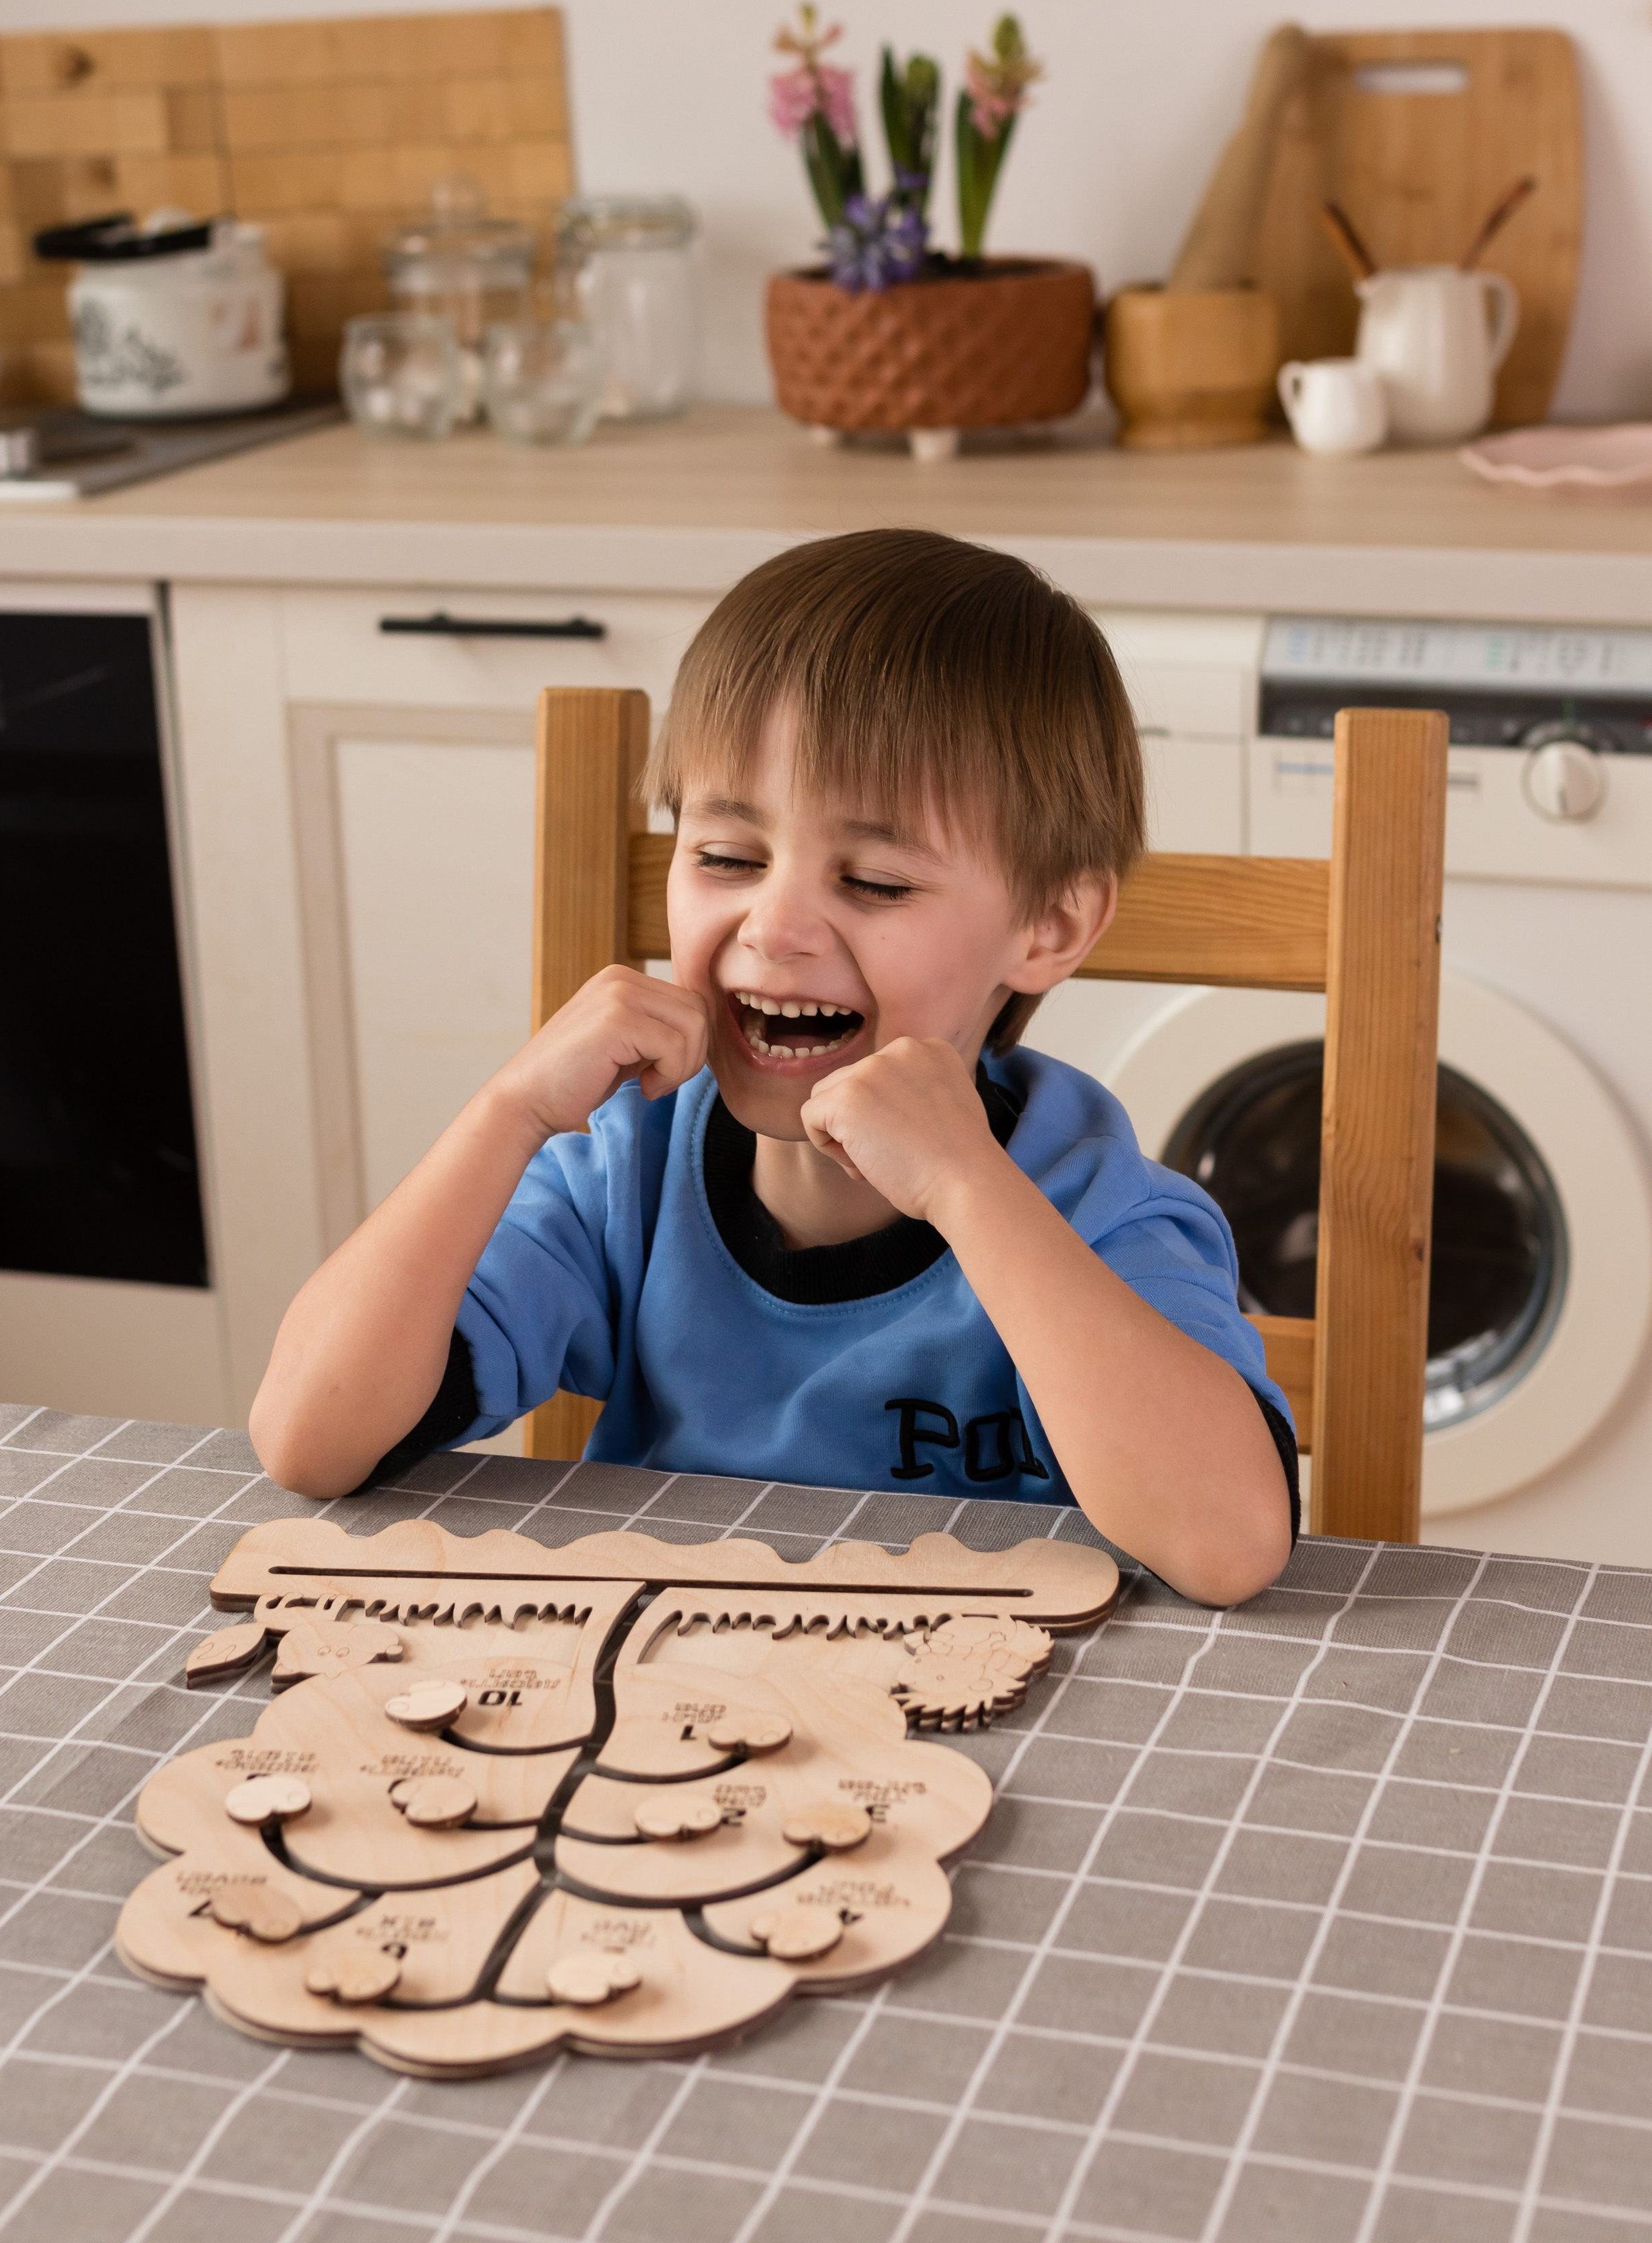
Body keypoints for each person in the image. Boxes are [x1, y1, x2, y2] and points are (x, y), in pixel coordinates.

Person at [250, 530, 1296, 1606]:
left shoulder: (1097, 1211)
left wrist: (966, 1188)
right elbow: (307, 1437)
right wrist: (507, 1114)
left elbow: (1229, 1545)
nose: (776, 927)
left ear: (1050, 926)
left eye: (876, 882)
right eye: (727, 858)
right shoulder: (623, 1170)